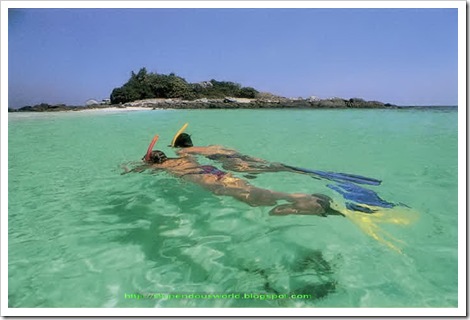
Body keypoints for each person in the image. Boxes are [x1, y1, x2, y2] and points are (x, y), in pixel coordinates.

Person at [128, 148, 344, 217]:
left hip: (205, 178)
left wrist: (136, 164)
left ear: (152, 161)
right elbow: (191, 158)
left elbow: (132, 171)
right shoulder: (183, 159)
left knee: (250, 195)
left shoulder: (158, 167)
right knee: (248, 192)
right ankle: (296, 201)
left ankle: (302, 200)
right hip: (211, 170)